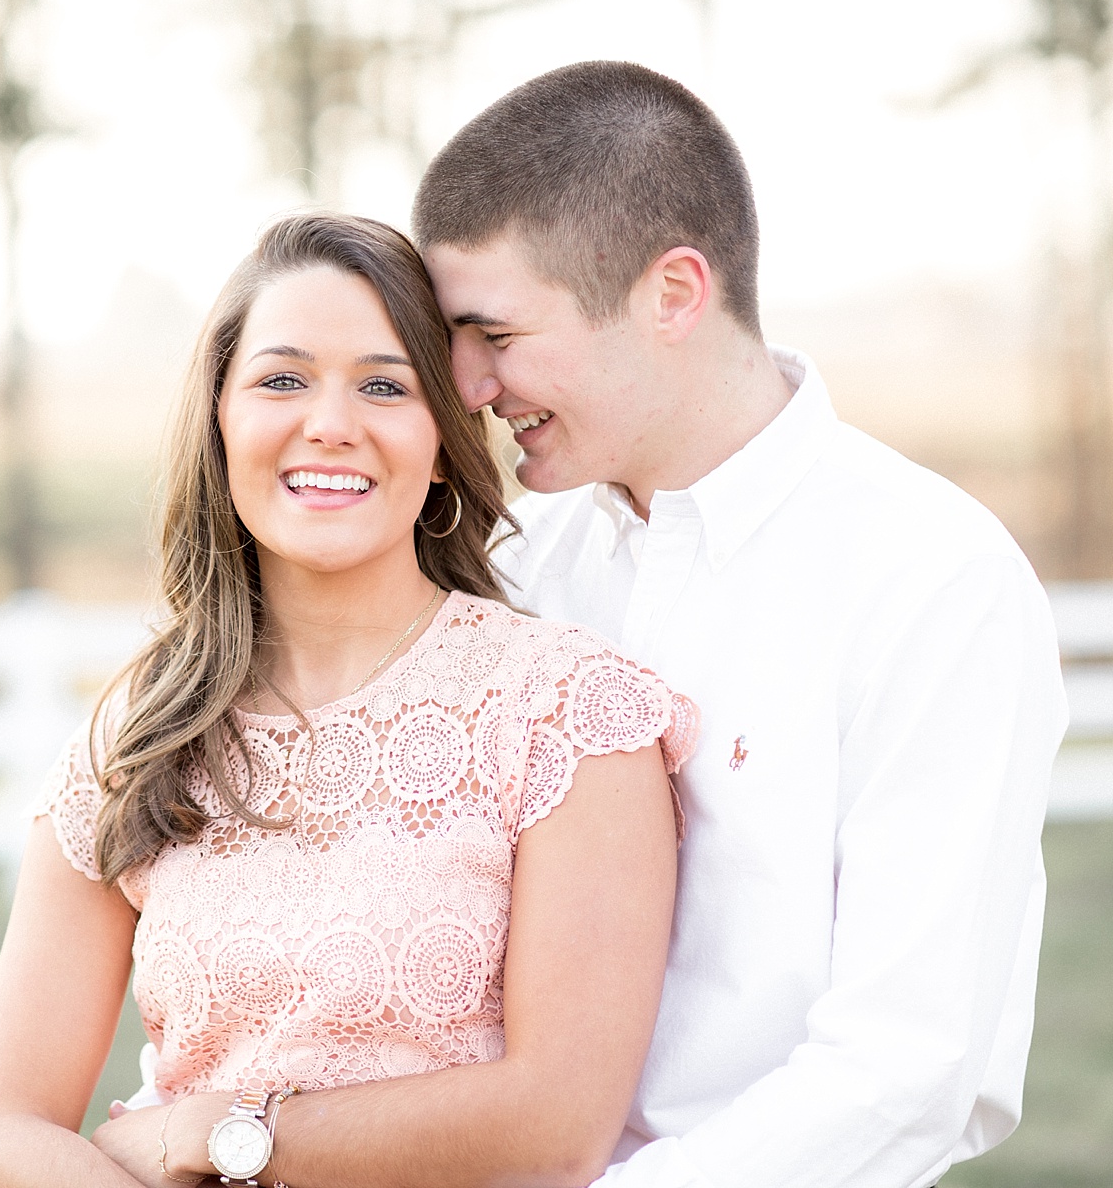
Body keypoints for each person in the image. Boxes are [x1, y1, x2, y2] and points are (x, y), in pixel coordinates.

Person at [102, 61, 1070, 1188]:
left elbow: (911, 1070)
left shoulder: (928, 581)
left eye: (493, 333)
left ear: (671, 295)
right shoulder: (510, 569)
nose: (462, 385)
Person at [0, 212, 698, 1188]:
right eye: (282, 379)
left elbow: (556, 1123)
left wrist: (221, 1136)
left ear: (441, 443)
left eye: (385, 385)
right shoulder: (144, 727)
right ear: (221, 420)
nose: (331, 423)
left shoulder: (566, 712)